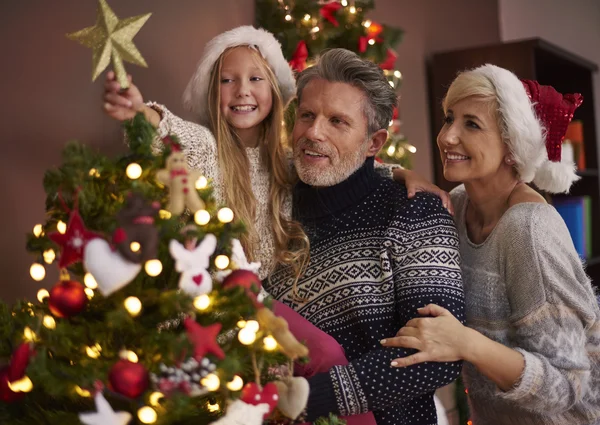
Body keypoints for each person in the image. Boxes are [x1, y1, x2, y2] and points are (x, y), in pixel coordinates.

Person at [103, 25, 450, 282]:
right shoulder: (204, 147)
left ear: (276, 92)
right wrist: (136, 110)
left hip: (259, 315)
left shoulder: (288, 164)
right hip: (202, 302)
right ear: (212, 92)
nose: (242, 91)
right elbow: (166, 131)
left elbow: (347, 160)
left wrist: (403, 173)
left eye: (256, 79)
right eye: (227, 80)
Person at [382, 64, 600, 424]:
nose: (447, 136)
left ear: (513, 145)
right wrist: (400, 172)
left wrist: (466, 343)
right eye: (449, 118)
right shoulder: (459, 204)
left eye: (471, 124)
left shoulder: (529, 229)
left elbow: (566, 386)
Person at [264, 48, 465, 425]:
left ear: (374, 143)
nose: (312, 132)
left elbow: (437, 353)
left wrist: (307, 398)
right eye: (307, 115)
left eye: (337, 121)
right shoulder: (269, 204)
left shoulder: (415, 213)